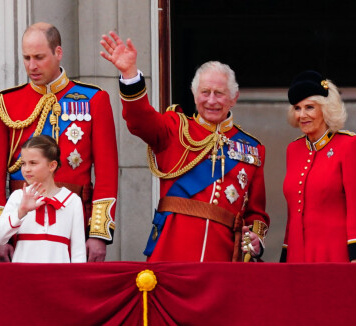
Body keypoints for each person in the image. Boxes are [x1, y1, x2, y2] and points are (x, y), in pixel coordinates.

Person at [100, 31, 269, 262]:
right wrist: (130, 74)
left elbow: (256, 213)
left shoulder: (252, 149)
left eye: (219, 94)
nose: (211, 101)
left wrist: (255, 242)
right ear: (194, 94)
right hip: (171, 251)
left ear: (234, 97)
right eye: (205, 92)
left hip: (222, 257)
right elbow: (140, 120)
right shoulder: (174, 128)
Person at [0, 22, 118, 262]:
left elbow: (107, 173)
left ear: (58, 53)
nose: (31, 66)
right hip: (21, 222)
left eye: (39, 57)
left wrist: (98, 233)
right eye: (26, 58)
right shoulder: (6, 103)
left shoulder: (94, 99)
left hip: (73, 221)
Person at [281, 71, 356, 263]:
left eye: (310, 107)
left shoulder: (350, 145)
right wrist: (284, 258)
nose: (302, 115)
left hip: (334, 258)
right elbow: (292, 214)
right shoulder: (293, 150)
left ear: (326, 109)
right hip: (296, 259)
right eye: (297, 108)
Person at [0, 135, 86, 263]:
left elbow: (78, 252)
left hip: (59, 278)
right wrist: (21, 212)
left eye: (33, 163)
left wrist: (76, 281)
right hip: (23, 277)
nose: (26, 169)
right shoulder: (18, 196)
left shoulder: (72, 201)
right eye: (23, 163)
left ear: (52, 166)